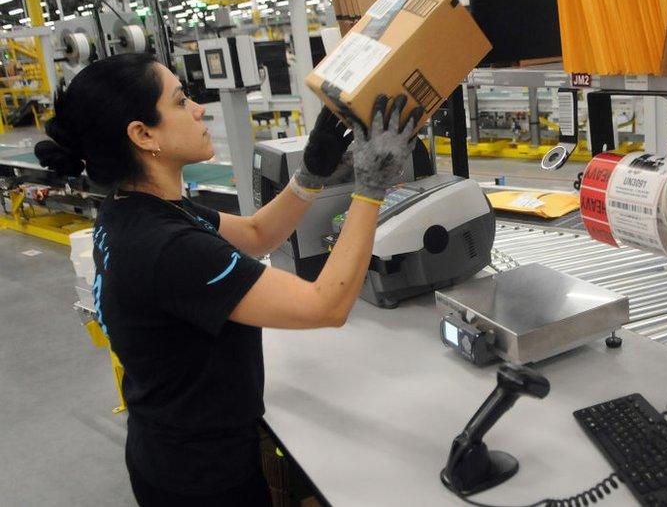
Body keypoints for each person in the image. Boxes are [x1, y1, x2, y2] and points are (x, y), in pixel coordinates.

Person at [34, 52, 421, 506]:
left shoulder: (137, 207)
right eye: (180, 102)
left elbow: (256, 235)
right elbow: (325, 305)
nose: (199, 110)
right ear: (143, 134)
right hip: (202, 480)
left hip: (171, 450)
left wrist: (310, 174)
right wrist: (370, 190)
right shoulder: (165, 246)